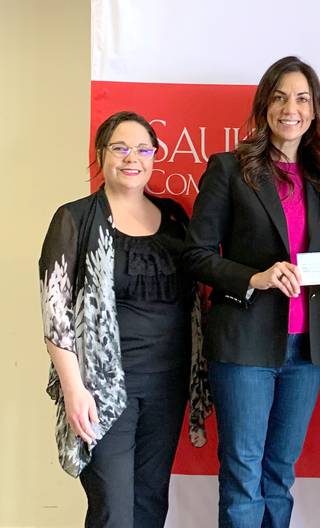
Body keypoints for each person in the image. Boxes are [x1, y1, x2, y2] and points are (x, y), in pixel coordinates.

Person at [183, 56, 320, 528]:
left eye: (302, 99)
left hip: (305, 351)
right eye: (280, 96)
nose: (291, 108)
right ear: (264, 104)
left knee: (279, 475)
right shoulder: (230, 168)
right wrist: (255, 277)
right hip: (244, 345)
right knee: (244, 476)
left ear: (314, 111)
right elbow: (196, 254)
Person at [39, 111, 209, 527]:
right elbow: (55, 313)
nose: (131, 157)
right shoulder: (75, 218)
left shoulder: (174, 218)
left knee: (151, 504)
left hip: (167, 386)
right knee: (113, 510)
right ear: (101, 154)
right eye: (120, 147)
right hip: (102, 391)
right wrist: (74, 388)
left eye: (143, 148)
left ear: (154, 156)